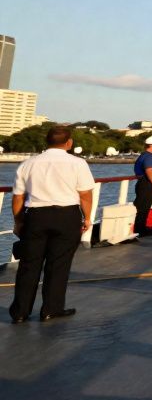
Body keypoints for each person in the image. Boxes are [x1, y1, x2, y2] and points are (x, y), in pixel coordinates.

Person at [8, 126, 93, 324]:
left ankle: (20, 312)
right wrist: (87, 218)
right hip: (66, 216)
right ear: (69, 143)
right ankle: (51, 309)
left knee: (29, 265)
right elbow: (85, 195)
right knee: (59, 264)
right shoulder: (78, 163)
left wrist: (19, 221)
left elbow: (18, 196)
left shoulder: (28, 164)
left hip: (36, 216)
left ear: (46, 141)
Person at [132, 135, 152, 237]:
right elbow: (149, 170)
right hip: (146, 184)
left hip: (144, 183)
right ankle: (139, 229)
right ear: (151, 145)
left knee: (144, 207)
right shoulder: (149, 156)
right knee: (143, 207)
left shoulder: (146, 155)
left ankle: (141, 227)